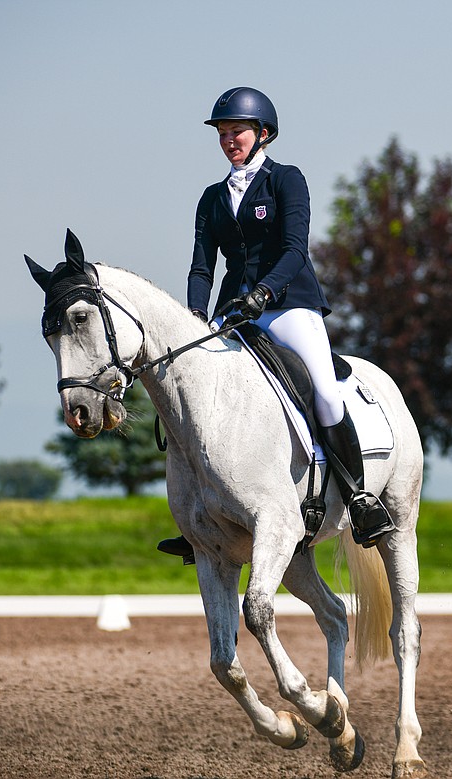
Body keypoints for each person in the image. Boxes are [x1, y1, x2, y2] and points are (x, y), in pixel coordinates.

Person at [159, 86, 395, 565]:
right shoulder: (210, 199)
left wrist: (264, 293)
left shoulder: (286, 180)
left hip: (287, 306)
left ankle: (360, 498)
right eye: (223, 134)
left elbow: (294, 250)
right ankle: (200, 516)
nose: (229, 141)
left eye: (237, 132)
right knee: (196, 397)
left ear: (263, 133)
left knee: (325, 393)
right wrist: (195, 316)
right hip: (233, 313)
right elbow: (202, 266)